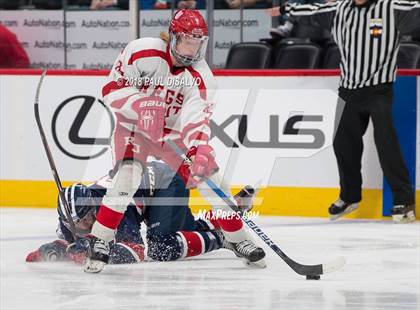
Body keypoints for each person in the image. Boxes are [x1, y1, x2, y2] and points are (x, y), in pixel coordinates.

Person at [85, 9, 266, 273]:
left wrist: (198, 148)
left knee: (210, 178)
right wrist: (141, 104)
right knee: (127, 177)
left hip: (172, 135)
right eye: (187, 42)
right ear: (172, 36)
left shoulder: (201, 77)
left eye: (198, 43)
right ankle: (100, 239)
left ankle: (239, 240)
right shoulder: (141, 51)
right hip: (133, 127)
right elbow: (111, 88)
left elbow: (196, 120)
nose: (192, 50)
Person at [267, 0, 419, 223]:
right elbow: (311, 11)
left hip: (379, 89)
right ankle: (349, 196)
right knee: (343, 144)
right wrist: (284, 9)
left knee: (387, 144)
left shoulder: (390, 7)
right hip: (348, 90)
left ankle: (403, 201)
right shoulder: (339, 9)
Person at [26, 161, 256, 264]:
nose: (86, 224)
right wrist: (54, 249)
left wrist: (88, 251)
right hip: (147, 193)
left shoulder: (113, 205)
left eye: (89, 217)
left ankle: (225, 238)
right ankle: (226, 217)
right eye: (79, 223)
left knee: (162, 247)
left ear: (95, 206)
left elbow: (136, 251)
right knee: (187, 233)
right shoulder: (71, 216)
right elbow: (70, 240)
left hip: (166, 184)